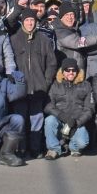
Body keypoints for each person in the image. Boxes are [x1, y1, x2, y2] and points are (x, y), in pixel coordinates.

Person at [9, 9, 57, 157]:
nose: (30, 23)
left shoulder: (44, 39)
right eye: (27, 20)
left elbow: (52, 63)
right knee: (21, 119)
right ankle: (21, 149)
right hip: (20, 89)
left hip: (39, 87)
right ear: (22, 22)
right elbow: (10, 62)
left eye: (32, 20)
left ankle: (35, 149)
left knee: (37, 120)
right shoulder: (14, 39)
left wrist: (46, 81)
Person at [44, 58, 94, 159]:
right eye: (67, 70)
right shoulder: (55, 85)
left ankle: (73, 147)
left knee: (83, 142)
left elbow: (90, 109)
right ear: (62, 71)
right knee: (49, 120)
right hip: (60, 120)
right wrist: (63, 117)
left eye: (73, 70)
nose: (71, 72)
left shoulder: (86, 85)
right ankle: (54, 149)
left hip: (77, 122)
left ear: (77, 71)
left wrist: (77, 123)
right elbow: (48, 106)